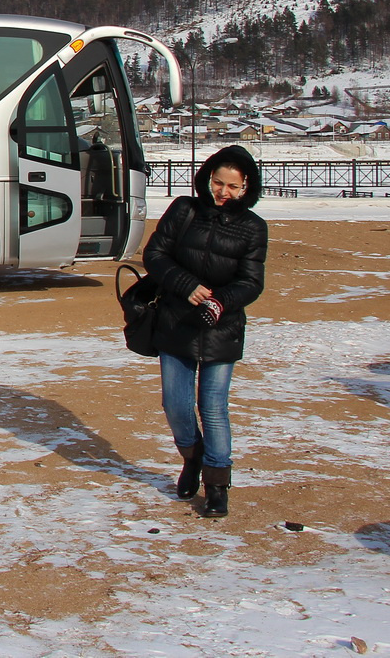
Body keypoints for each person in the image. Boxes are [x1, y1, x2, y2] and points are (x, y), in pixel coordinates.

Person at [142, 144, 267, 518]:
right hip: (176, 321)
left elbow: (252, 282)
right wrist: (186, 286)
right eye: (217, 182)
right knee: (175, 404)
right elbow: (155, 255)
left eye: (233, 186)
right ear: (206, 178)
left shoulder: (254, 228)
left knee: (213, 407)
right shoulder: (184, 210)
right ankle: (192, 457)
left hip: (221, 327)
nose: (223, 192)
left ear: (247, 188)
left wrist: (220, 301)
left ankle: (216, 485)